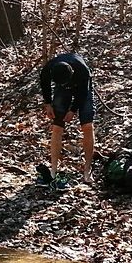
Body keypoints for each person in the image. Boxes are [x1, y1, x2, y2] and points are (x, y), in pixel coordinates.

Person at [38, 52, 95, 185]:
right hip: (62, 91)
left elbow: (83, 93)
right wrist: (48, 103)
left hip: (82, 89)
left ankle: (87, 168)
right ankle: (53, 170)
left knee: (87, 125)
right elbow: (44, 83)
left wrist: (73, 110)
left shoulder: (82, 70)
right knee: (57, 126)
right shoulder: (49, 69)